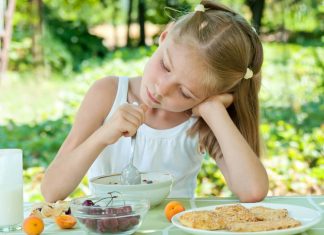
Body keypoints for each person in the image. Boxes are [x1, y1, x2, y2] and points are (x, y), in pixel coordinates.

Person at [41, 0, 269, 203]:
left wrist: (214, 111)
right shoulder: (107, 93)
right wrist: (103, 135)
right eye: (165, 66)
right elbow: (51, 191)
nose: (162, 89)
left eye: (186, 93)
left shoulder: (199, 121)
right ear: (164, 36)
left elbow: (252, 190)